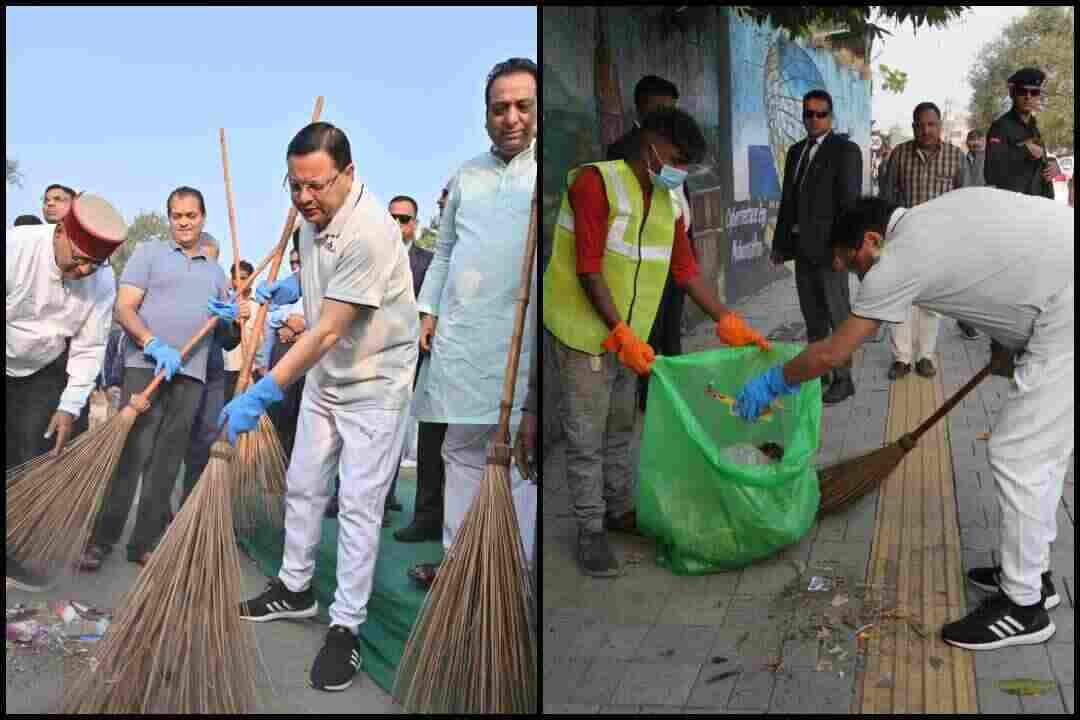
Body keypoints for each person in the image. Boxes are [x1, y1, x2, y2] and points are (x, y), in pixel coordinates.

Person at [735, 188, 1072, 652]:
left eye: (854, 266)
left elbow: (834, 351)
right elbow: (1003, 262)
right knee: (1042, 456)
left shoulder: (899, 257)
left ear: (872, 240)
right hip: (1059, 299)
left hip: (1066, 313)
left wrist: (774, 382)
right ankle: (1033, 576)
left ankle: (1023, 608)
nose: (859, 279)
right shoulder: (930, 217)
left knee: (1020, 457)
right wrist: (1007, 337)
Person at [224, 121, 418, 693]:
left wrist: (265, 389)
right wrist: (283, 289)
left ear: (349, 174)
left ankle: (346, 628)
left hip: (375, 383)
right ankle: (295, 586)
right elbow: (317, 290)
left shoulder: (372, 231)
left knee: (357, 504)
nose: (304, 199)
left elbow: (329, 328)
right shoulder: (312, 218)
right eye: (294, 186)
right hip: (328, 379)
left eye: (316, 186)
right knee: (304, 483)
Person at [544, 106, 770, 578]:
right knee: (585, 437)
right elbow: (588, 266)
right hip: (584, 333)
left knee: (620, 428)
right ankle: (590, 530)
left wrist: (725, 319)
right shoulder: (595, 183)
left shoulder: (671, 205)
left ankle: (619, 510)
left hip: (631, 340)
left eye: (688, 164)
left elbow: (684, 270)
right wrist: (617, 330)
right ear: (650, 142)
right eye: (677, 158)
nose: (680, 171)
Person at [407, 58, 539, 590]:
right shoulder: (466, 175)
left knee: (522, 457)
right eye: (499, 108)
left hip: (522, 338)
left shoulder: (547, 174)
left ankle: (517, 570)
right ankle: (459, 565)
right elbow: (444, 253)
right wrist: (428, 311)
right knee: (460, 450)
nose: (511, 117)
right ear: (485, 115)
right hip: (463, 340)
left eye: (522, 106)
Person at [81, 187, 240, 571]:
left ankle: (143, 542)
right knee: (131, 454)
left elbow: (226, 337)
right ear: (169, 218)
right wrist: (153, 344)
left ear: (203, 217)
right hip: (146, 366)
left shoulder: (216, 272)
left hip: (192, 375)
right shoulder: (149, 253)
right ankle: (102, 540)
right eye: (177, 215)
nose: (184, 222)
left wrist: (230, 317)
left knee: (167, 462)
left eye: (191, 215)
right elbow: (125, 308)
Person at [6, 193, 126, 591]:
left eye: (93, 264)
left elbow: (90, 346)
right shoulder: (16, 248)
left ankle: (10, 554)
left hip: (44, 368)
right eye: (77, 258)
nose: (82, 270)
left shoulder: (101, 280)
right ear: (60, 231)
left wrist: (70, 405)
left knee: (28, 458)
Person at [606, 74, 693, 412]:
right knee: (646, 337)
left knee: (672, 333)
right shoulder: (622, 151)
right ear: (642, 110)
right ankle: (648, 402)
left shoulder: (676, 145)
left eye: (673, 110)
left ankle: (672, 398)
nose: (670, 118)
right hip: (642, 266)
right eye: (661, 111)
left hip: (677, 258)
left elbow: (680, 204)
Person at [772, 89, 863, 404]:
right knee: (812, 318)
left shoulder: (845, 151)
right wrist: (780, 245)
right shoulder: (796, 152)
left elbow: (849, 207)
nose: (813, 119)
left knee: (837, 315)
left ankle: (844, 378)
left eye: (820, 114)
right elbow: (788, 201)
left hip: (830, 253)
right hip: (802, 250)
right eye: (808, 114)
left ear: (831, 116)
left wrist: (844, 251)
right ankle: (818, 371)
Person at [878, 102, 968, 379]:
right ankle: (901, 358)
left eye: (931, 124)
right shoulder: (900, 154)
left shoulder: (955, 157)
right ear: (913, 126)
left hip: (939, 242)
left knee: (930, 304)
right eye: (920, 125)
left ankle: (925, 356)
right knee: (901, 299)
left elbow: (963, 200)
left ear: (939, 126)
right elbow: (887, 194)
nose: (925, 130)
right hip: (903, 239)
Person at [387, 193, 448, 542]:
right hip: (380, 358)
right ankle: (380, 497)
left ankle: (433, 517)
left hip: (424, 357)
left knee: (428, 436)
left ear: (415, 223)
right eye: (392, 218)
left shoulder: (430, 261)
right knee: (384, 427)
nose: (398, 225)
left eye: (404, 219)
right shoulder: (371, 259)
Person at [181, 233, 230, 507]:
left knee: (204, 443)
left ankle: (189, 511)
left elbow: (230, 341)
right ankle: (157, 518)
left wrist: (232, 318)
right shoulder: (178, 292)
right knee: (172, 444)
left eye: (213, 262)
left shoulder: (222, 287)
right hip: (181, 372)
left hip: (212, 375)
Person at [985, 68, 1056, 200]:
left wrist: (1052, 166)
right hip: (1014, 208)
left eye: (1034, 92)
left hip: (1038, 205)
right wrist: (1024, 151)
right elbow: (991, 172)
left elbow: (1039, 162)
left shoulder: (1034, 126)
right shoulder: (1000, 127)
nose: (1028, 96)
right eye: (1022, 91)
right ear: (1012, 93)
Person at [957, 129, 987, 340]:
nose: (975, 144)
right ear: (967, 142)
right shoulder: (961, 159)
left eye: (979, 140)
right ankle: (966, 320)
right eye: (972, 140)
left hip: (985, 221)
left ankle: (971, 319)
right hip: (964, 221)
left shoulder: (991, 159)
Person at [223, 259, 259, 403]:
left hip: (251, 369)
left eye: (244, 278)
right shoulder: (225, 305)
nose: (239, 282)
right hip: (228, 368)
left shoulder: (259, 306)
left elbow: (264, 340)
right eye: (236, 278)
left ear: (252, 280)